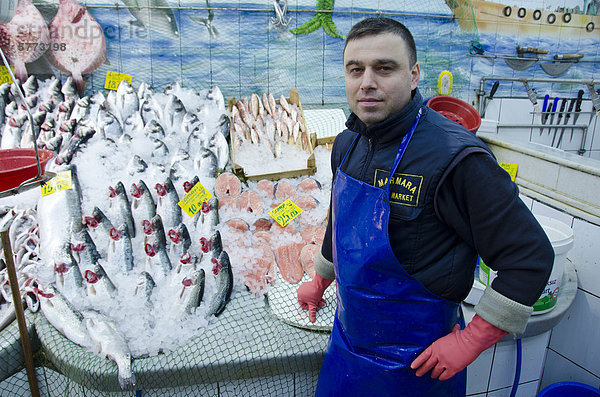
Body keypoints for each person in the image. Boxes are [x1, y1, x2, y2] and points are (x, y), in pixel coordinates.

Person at [296, 17, 554, 397]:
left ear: (414, 74)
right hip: (347, 350)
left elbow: (529, 256)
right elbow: (343, 224)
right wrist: (320, 280)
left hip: (418, 366)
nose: (367, 81)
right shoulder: (347, 143)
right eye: (356, 69)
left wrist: (471, 340)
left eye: (384, 68)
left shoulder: (459, 159)